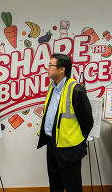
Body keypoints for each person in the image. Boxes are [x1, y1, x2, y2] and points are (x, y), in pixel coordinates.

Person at [37, 53, 94, 192]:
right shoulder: (52, 87)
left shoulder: (76, 90)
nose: (47, 68)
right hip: (52, 143)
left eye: (51, 65)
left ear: (62, 69)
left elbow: (87, 121)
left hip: (69, 148)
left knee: (72, 186)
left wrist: (77, 141)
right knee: (55, 184)